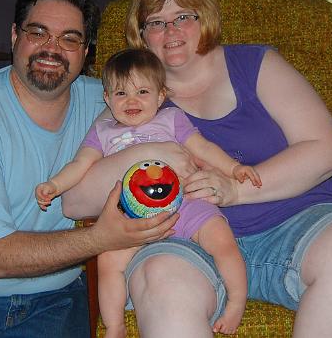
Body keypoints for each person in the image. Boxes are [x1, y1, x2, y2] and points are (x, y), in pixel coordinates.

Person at [62, 0, 332, 338]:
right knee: (163, 283)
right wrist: (154, 151)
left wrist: (236, 190)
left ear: (205, 19)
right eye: (156, 22)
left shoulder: (256, 65)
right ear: (141, 36)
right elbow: (74, 202)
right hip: (183, 239)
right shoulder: (131, 100)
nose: (171, 31)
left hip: (298, 223)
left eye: (184, 16)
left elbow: (328, 151)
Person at [0, 0, 180, 338]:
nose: (52, 48)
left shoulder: (110, 102)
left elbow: (181, 114)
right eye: (38, 32)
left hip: (55, 296)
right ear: (15, 36)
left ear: (86, 51)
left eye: (70, 38)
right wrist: (102, 238)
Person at [36, 48, 261, 337]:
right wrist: (55, 185)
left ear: (160, 95)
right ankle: (115, 324)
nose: (131, 101)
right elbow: (80, 165)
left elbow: (202, 148)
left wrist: (233, 168)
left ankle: (236, 301)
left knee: (222, 240)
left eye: (142, 91)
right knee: (107, 262)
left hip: (186, 201)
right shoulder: (103, 132)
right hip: (130, 214)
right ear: (107, 98)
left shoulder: (171, 120)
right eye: (120, 94)